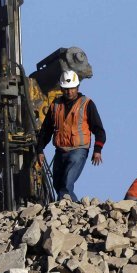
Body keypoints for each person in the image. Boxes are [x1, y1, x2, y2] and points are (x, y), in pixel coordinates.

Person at [38, 70, 106, 202]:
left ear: (78, 87)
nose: (70, 92)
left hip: (78, 150)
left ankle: (66, 207)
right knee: (57, 184)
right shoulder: (56, 105)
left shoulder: (87, 104)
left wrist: (97, 150)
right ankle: (72, 207)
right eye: (66, 89)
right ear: (62, 89)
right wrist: (40, 150)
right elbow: (46, 130)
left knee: (67, 183)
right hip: (60, 151)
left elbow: (99, 130)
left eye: (72, 89)